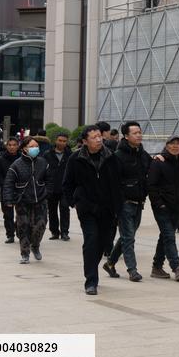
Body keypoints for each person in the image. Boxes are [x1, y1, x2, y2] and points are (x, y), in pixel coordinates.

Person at [63, 125, 122, 296]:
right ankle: (91, 281)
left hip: (108, 209)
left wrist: (118, 208)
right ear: (84, 141)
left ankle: (91, 268)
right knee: (91, 240)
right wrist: (74, 202)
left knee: (103, 243)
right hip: (87, 208)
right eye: (94, 137)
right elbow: (67, 183)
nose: (98, 140)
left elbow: (118, 184)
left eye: (99, 136)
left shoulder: (111, 157)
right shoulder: (76, 158)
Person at [104, 121, 151, 282]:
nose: (139, 135)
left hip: (139, 201)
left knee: (126, 237)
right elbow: (112, 182)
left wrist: (161, 157)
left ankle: (110, 262)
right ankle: (132, 270)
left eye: (139, 132)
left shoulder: (143, 154)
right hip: (124, 203)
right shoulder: (118, 156)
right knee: (129, 237)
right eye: (135, 133)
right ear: (126, 136)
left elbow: (151, 170)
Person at [147, 135, 179, 281]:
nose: (175, 146)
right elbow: (151, 186)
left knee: (165, 236)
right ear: (166, 145)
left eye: (178, 144)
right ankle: (176, 267)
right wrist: (159, 204)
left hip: (178, 207)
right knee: (169, 236)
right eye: (172, 143)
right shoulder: (158, 162)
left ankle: (157, 267)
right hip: (162, 207)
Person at [3, 137, 49, 263]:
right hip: (22, 200)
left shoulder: (43, 162)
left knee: (41, 224)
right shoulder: (16, 165)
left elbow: (49, 179)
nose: (35, 149)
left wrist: (47, 192)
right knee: (24, 227)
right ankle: (25, 254)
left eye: (37, 146)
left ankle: (35, 245)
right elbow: (8, 183)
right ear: (24, 148)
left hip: (40, 199)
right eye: (32, 146)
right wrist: (8, 200)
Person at [44, 133, 72, 241]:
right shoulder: (47, 154)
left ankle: (65, 232)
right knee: (52, 210)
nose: (62, 143)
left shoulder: (70, 154)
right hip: (51, 186)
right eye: (60, 140)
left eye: (64, 141)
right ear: (55, 141)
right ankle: (54, 232)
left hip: (65, 187)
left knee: (65, 209)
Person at [0, 137, 21, 244]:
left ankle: (20, 231)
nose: (12, 147)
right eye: (10, 145)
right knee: (8, 214)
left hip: (20, 189)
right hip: (6, 190)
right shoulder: (0, 159)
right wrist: (6, 185)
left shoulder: (22, 157)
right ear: (6, 146)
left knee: (21, 213)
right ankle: (10, 234)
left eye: (14, 145)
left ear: (18, 146)